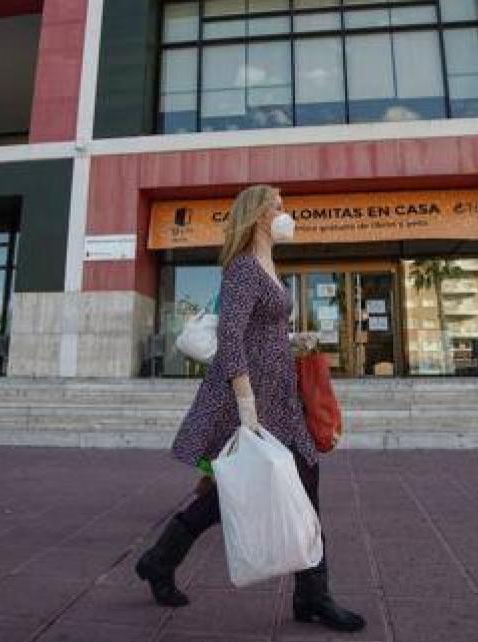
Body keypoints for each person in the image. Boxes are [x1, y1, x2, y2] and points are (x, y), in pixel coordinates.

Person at [135, 184, 365, 633]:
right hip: (254, 400)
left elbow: (260, 330)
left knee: (262, 489)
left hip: (280, 397)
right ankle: (312, 596)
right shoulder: (243, 269)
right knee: (263, 487)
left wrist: (291, 341)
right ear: (259, 214)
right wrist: (246, 406)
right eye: (279, 207)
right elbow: (231, 339)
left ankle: (161, 561)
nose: (286, 214)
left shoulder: (269, 265)